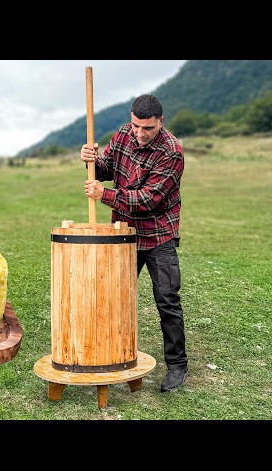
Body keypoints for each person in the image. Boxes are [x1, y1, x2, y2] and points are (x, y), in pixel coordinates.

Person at [81, 93, 188, 393]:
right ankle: (112, 354)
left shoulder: (172, 152)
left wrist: (104, 195)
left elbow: (148, 200)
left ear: (161, 122)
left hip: (158, 235)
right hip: (124, 232)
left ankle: (177, 366)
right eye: (135, 126)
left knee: (167, 299)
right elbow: (106, 170)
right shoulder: (123, 135)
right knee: (114, 297)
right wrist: (91, 161)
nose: (139, 134)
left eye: (147, 129)